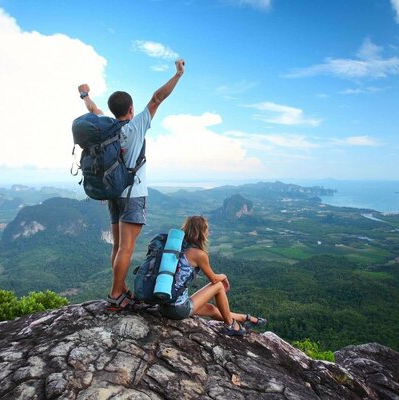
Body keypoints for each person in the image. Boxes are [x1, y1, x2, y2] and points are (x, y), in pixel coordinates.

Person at [78, 59, 185, 311]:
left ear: (113, 109)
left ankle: (121, 286)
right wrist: (178, 74)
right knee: (127, 247)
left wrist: (84, 94)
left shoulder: (108, 128)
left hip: (113, 193)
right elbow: (158, 97)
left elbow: (93, 110)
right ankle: (116, 294)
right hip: (133, 195)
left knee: (117, 246)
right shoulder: (136, 126)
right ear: (131, 108)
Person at [160, 215, 267, 336]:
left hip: (164, 306)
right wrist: (224, 276)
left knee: (211, 309)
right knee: (219, 286)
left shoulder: (175, 248)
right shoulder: (198, 254)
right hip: (177, 309)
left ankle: (244, 318)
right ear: (200, 232)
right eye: (206, 229)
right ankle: (231, 325)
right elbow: (214, 279)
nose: (208, 232)